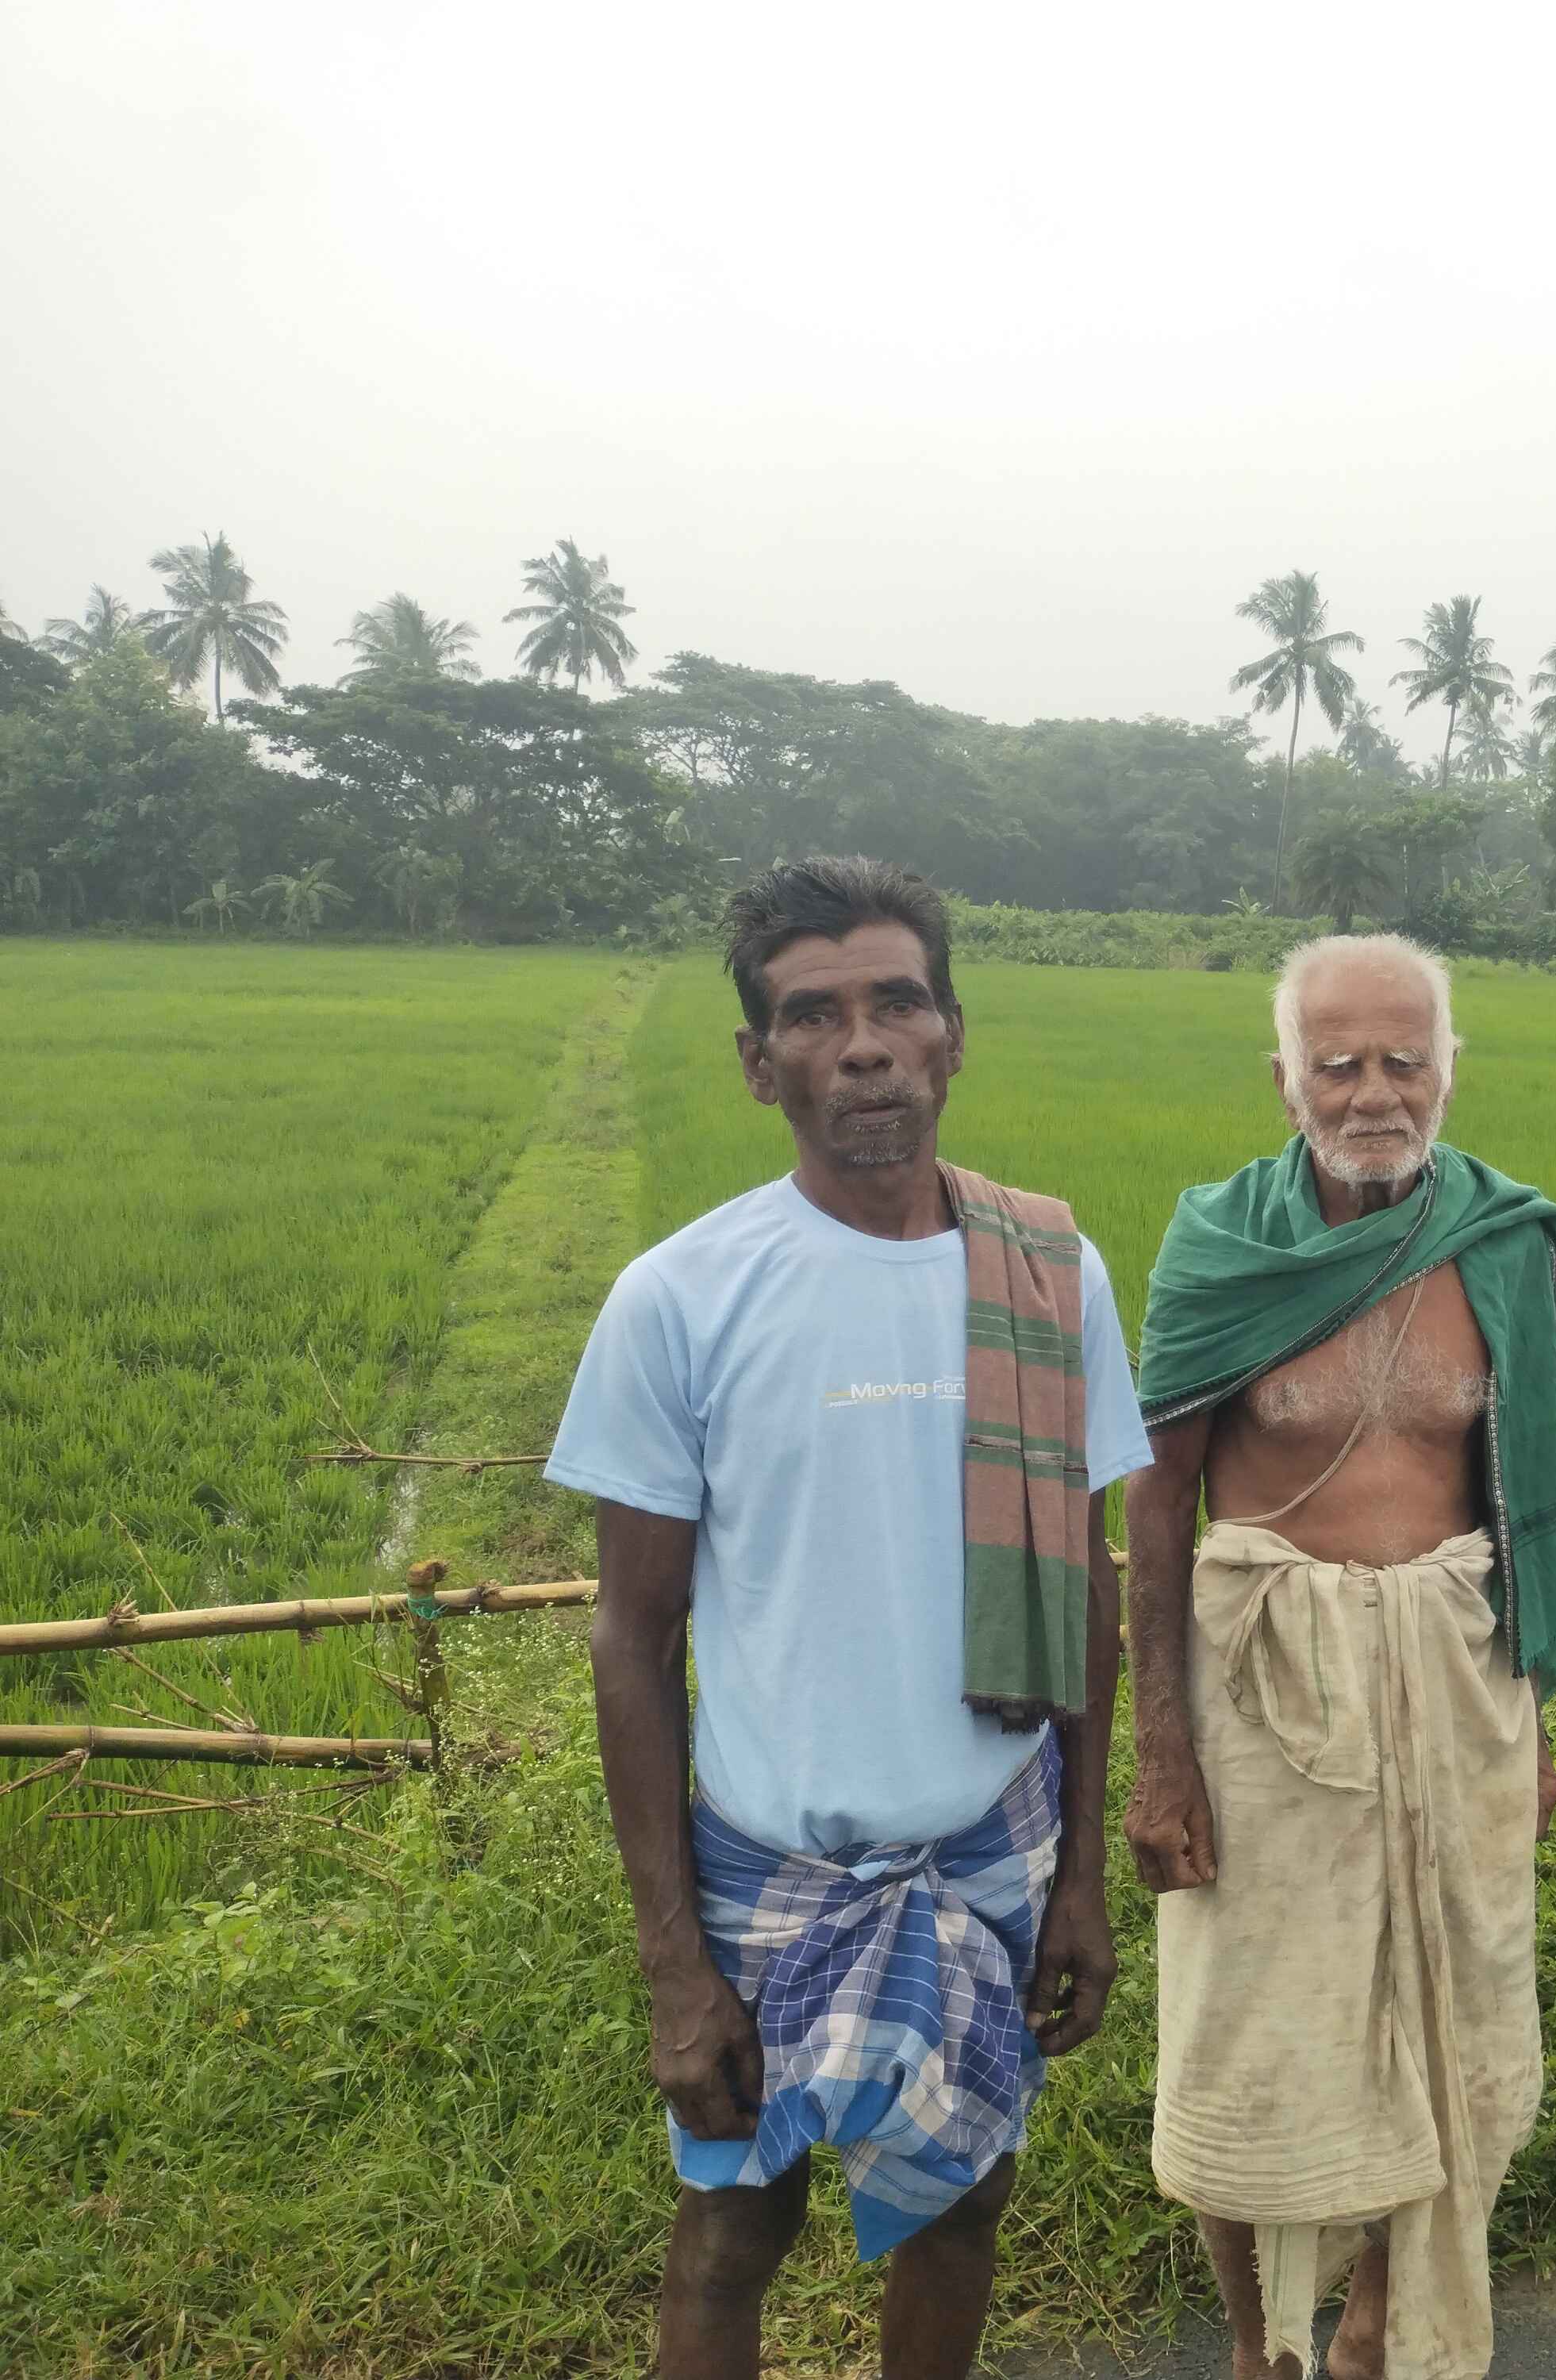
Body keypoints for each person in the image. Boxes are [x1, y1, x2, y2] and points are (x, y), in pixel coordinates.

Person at [547, 856, 1150, 2380]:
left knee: (963, 2209)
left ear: (953, 1035)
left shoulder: (1049, 1275)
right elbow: (633, 1635)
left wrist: (1082, 1874)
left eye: (897, 1004)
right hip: (767, 1865)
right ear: (761, 1065)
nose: (864, 1045)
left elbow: (1088, 1589)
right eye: (814, 1016)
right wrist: (674, 1962)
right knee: (731, 2236)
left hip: (990, 1846)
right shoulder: (681, 1297)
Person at [1125, 932, 1556, 2380]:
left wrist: (1532, 1717)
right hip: (1263, 1697)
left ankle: (1382, 2323)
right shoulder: (1221, 1247)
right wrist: (1161, 1752)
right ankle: (1261, 2347)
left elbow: (1524, 1498)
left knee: (1447, 2009)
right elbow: (1154, 1502)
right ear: (1286, 1079)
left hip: (1458, 1681)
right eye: (1339, 1066)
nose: (1375, 1093)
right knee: (1249, 2037)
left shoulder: (1504, 1240)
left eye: (1404, 1061)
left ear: (1449, 1070)